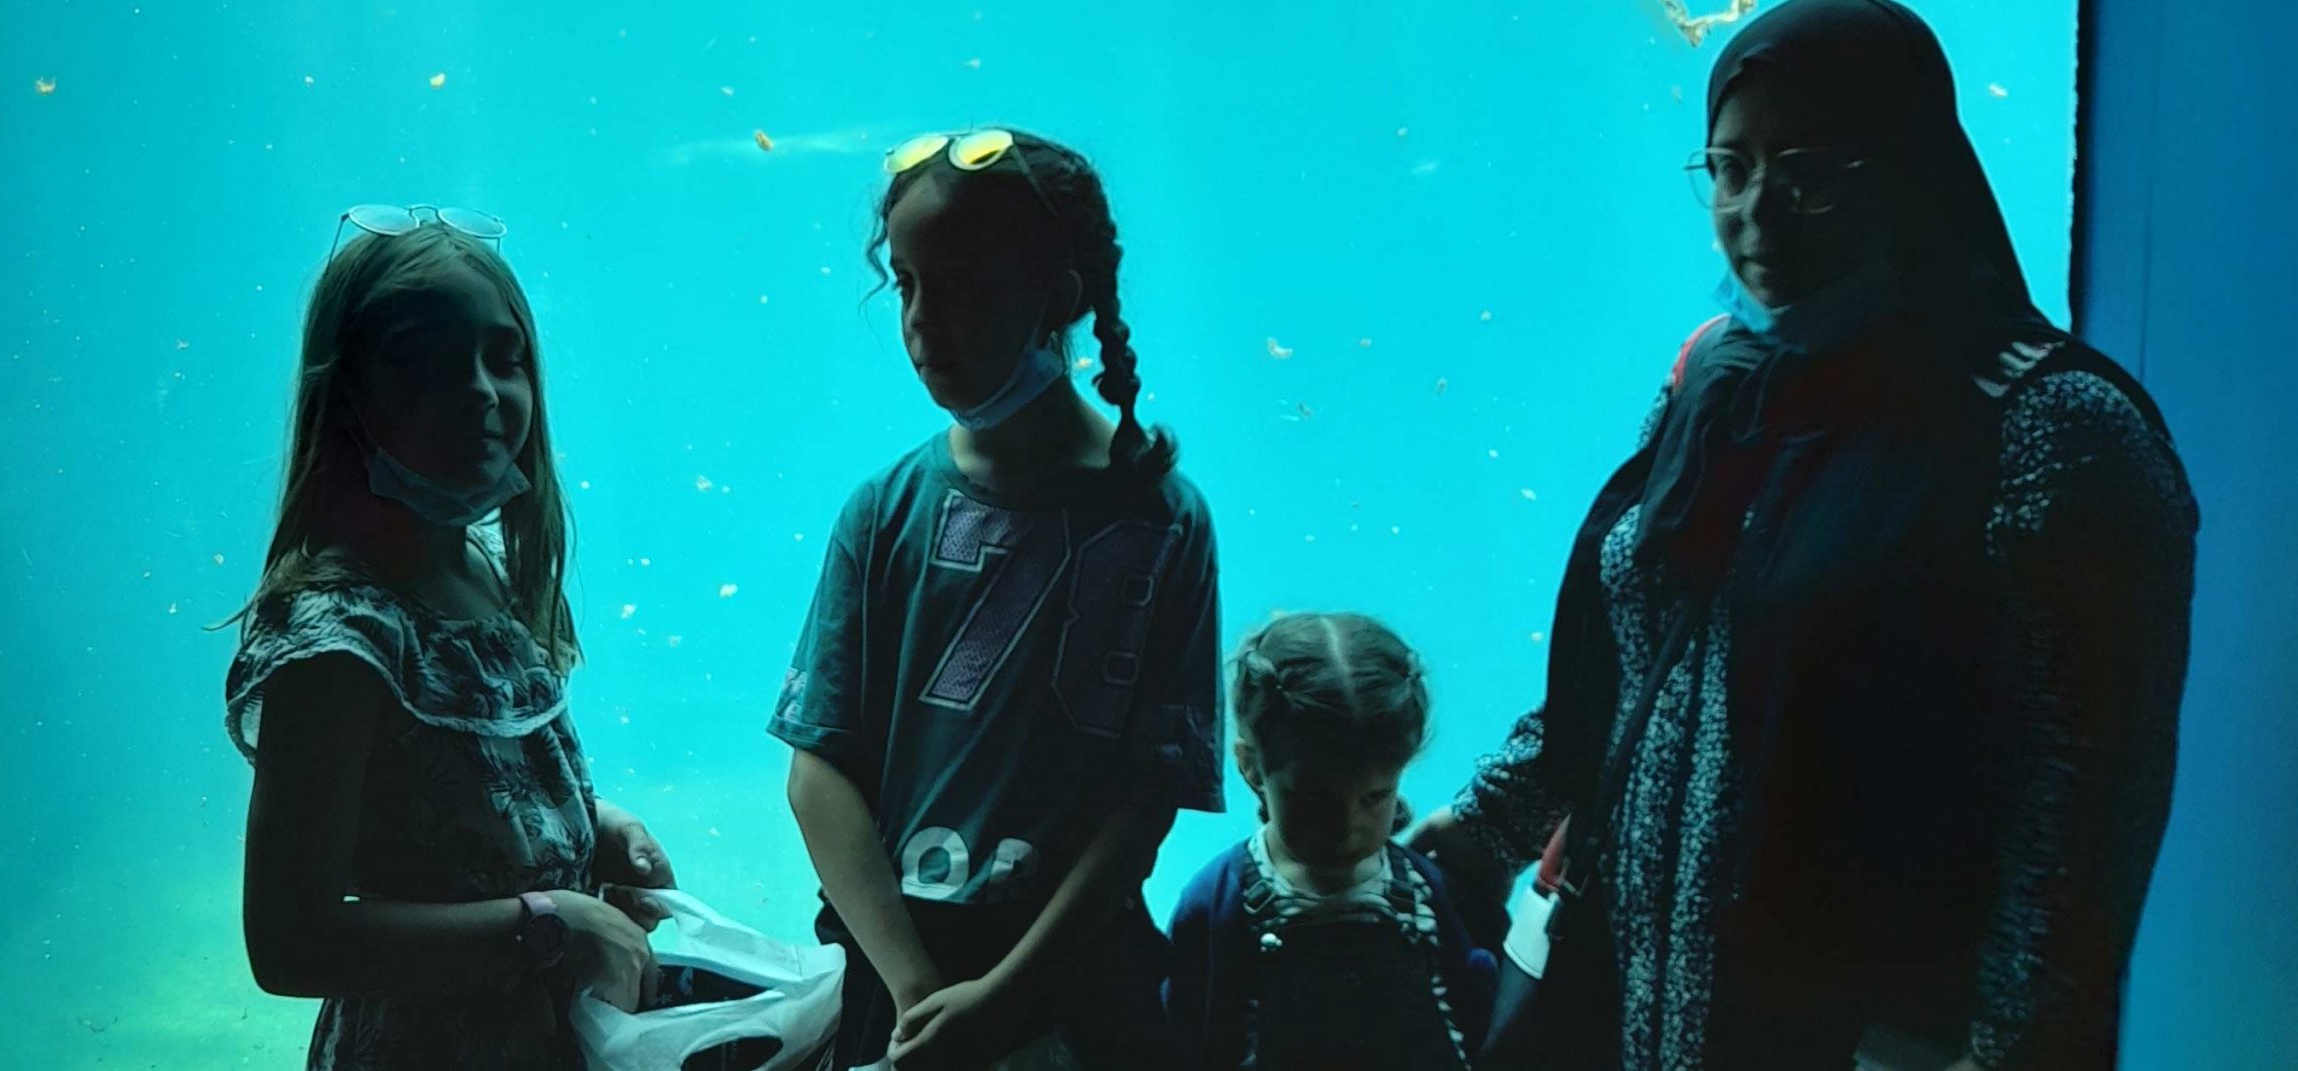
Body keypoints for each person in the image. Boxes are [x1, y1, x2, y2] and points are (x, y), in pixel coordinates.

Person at [1406, 3, 2200, 1069]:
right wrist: (1493, 820)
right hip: (1631, 1011)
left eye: (1810, 172)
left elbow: (2081, 822)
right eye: (1729, 169)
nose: (1756, 212)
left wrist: (2012, 1052)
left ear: (1906, 170)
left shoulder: (2051, 427)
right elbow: (1636, 653)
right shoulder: (1713, 378)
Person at [773, 129, 1225, 1071]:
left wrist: (1005, 997)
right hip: (900, 972)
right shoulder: (883, 511)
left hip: (1079, 983)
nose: (922, 321)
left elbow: (1147, 799)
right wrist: (916, 991)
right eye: (906, 284)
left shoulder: (1165, 519)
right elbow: (819, 772)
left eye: (962, 287)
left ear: (1055, 298)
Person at [218, 205, 679, 1070]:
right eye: (420, 361)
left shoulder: (487, 579)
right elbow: (288, 942)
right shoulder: (338, 640)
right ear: (346, 394)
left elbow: (459, 806)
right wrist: (547, 924)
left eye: (503, 358)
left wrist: (594, 829)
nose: (478, 389)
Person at [1164, 612, 1498, 1070]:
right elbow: (1187, 1035)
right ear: (1251, 767)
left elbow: (1476, 1010)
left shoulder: (1431, 890)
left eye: (1374, 797)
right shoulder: (1216, 901)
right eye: (1313, 800)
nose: (1346, 827)